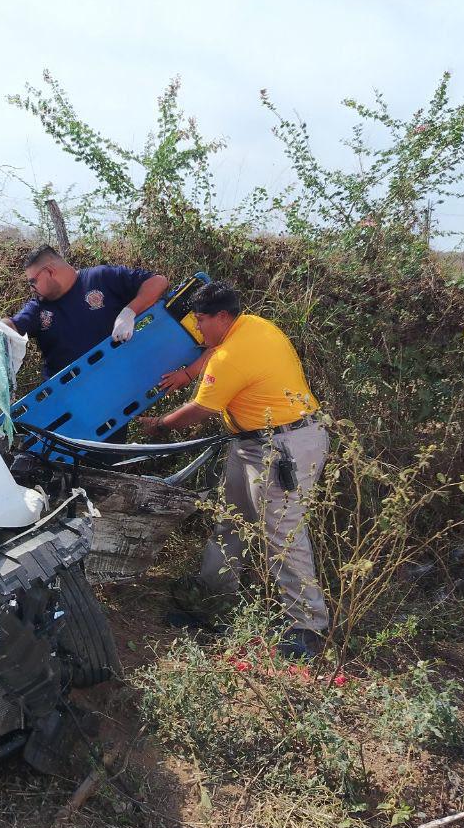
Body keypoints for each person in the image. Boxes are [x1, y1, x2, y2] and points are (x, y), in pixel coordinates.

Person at [137, 281, 329, 657]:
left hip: (283, 447)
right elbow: (212, 354)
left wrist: (159, 424)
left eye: (201, 320)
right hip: (252, 443)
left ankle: (308, 627)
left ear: (223, 317)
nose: (198, 328)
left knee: (281, 534)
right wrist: (189, 373)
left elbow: (198, 411)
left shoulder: (231, 355)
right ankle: (211, 600)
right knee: (232, 520)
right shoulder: (254, 325)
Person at [4, 246, 169, 380]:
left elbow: (157, 282)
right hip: (67, 399)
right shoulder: (37, 308)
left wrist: (129, 312)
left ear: (50, 272)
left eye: (33, 282)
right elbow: (12, 326)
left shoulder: (101, 278)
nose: (32, 288)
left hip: (119, 386)